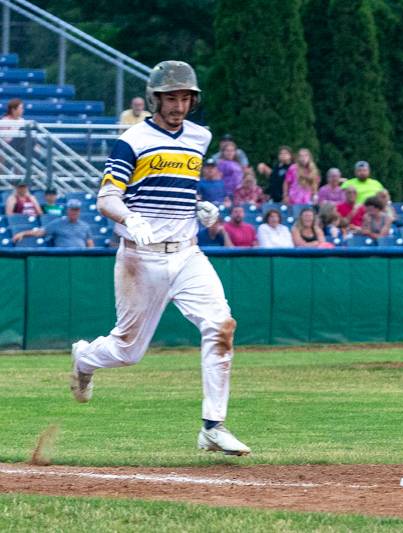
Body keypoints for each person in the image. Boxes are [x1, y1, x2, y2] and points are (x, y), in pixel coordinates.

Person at [69, 60, 250, 456]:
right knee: (127, 352)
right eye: (171, 97)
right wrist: (131, 219)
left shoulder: (200, 138)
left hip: (188, 254)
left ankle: (213, 426)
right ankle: (84, 357)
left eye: (185, 96)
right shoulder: (133, 139)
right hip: (141, 257)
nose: (178, 104)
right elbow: (106, 197)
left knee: (221, 326)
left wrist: (199, 207)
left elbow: (175, 188)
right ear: (155, 98)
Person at [12, 198, 93, 247]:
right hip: (64, 257)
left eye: (76, 210)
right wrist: (23, 234)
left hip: (80, 258)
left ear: (79, 211)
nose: (74, 212)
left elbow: (90, 243)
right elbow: (40, 233)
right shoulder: (58, 223)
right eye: (72, 209)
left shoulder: (85, 226)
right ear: (68, 210)